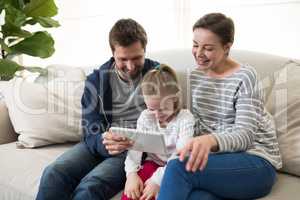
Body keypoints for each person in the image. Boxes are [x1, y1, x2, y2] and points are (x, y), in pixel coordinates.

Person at [157, 13, 282, 200]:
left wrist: (210, 140)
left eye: (207, 48)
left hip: (256, 162)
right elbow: (197, 125)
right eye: (195, 45)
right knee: (195, 196)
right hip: (219, 163)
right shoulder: (196, 76)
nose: (199, 53)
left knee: (178, 169)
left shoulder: (245, 76)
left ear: (226, 47)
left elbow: (245, 135)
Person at [36, 18, 159, 200]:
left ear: (145, 51)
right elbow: (90, 127)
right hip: (101, 143)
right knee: (54, 173)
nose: (130, 66)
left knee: (91, 185)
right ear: (112, 54)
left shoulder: (159, 76)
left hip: (133, 150)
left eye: (136, 58)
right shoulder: (97, 80)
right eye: (123, 59)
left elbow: (170, 121)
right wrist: (105, 142)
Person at [120, 64, 195, 200]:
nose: (157, 114)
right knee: (130, 194)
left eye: (162, 108)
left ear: (175, 98)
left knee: (158, 195)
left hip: (176, 167)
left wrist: (157, 180)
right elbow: (135, 149)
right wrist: (131, 174)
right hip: (152, 163)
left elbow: (181, 154)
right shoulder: (145, 117)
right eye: (151, 108)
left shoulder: (185, 118)